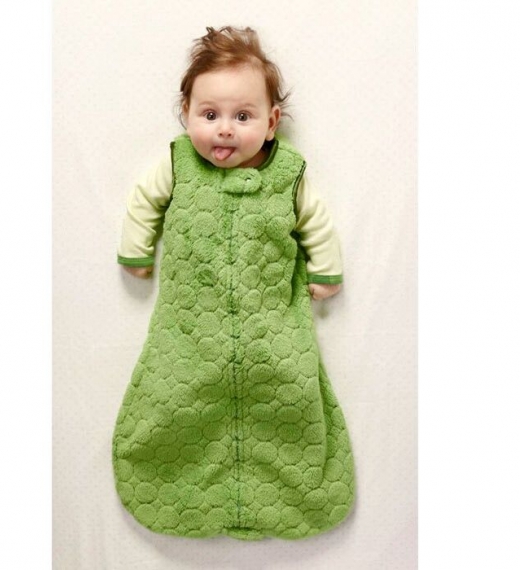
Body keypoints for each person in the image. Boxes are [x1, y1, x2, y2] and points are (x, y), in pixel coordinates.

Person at [112, 26, 355, 541]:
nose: (224, 130)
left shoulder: (288, 175)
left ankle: (280, 491)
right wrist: (137, 251)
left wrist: (325, 270)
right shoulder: (177, 165)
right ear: (186, 114)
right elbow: (144, 201)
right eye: (210, 115)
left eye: (242, 117)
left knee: (288, 393)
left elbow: (315, 221)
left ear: (271, 123)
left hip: (273, 328)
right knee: (177, 398)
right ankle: (186, 486)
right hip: (189, 332)